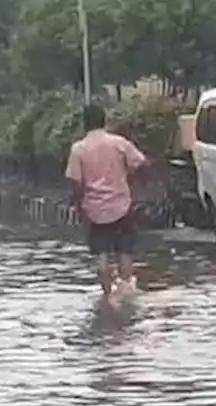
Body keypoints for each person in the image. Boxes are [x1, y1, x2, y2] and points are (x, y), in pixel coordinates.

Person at [64, 104, 148, 301]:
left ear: (84, 124)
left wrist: (77, 204)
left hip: (94, 210)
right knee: (125, 251)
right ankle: (127, 293)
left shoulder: (78, 149)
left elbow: (76, 182)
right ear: (104, 121)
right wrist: (129, 179)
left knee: (101, 254)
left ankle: (107, 297)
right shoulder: (119, 143)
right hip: (122, 205)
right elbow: (141, 163)